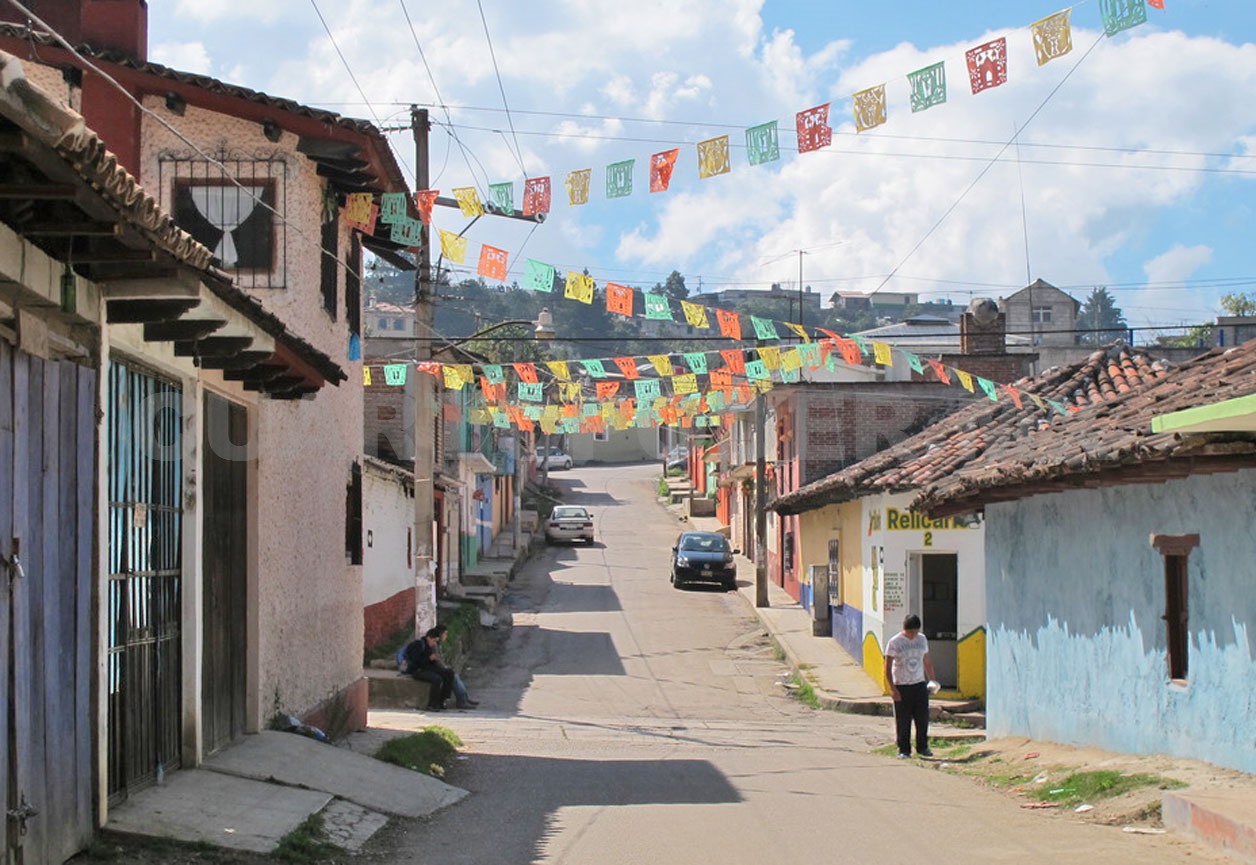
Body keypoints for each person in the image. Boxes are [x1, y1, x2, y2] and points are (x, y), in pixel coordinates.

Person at [883, 613, 937, 759]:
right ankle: (904, 749)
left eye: (915, 631)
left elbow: (927, 661)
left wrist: (932, 680)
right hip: (902, 685)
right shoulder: (895, 642)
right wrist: (892, 688)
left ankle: (923, 747)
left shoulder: (922, 639)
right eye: (910, 632)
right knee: (903, 720)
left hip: (919, 684)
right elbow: (887, 666)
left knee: (922, 718)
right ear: (904, 629)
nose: (913, 635)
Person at [403, 629, 454, 711]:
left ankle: (442, 700)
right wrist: (429, 658)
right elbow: (415, 662)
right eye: (433, 641)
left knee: (449, 673)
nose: (434, 643)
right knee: (437, 679)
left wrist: (435, 660)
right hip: (417, 670)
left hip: (427, 667)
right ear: (428, 638)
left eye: (436, 641)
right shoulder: (418, 645)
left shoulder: (429, 646)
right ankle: (432, 704)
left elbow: (430, 663)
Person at [431, 624, 480, 709]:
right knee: (454, 677)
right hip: (434, 670)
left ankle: (465, 698)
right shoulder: (434, 645)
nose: (446, 636)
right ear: (440, 634)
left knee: (455, 676)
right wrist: (445, 668)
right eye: (445, 634)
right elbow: (437, 662)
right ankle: (462, 701)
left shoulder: (438, 645)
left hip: (438, 669)